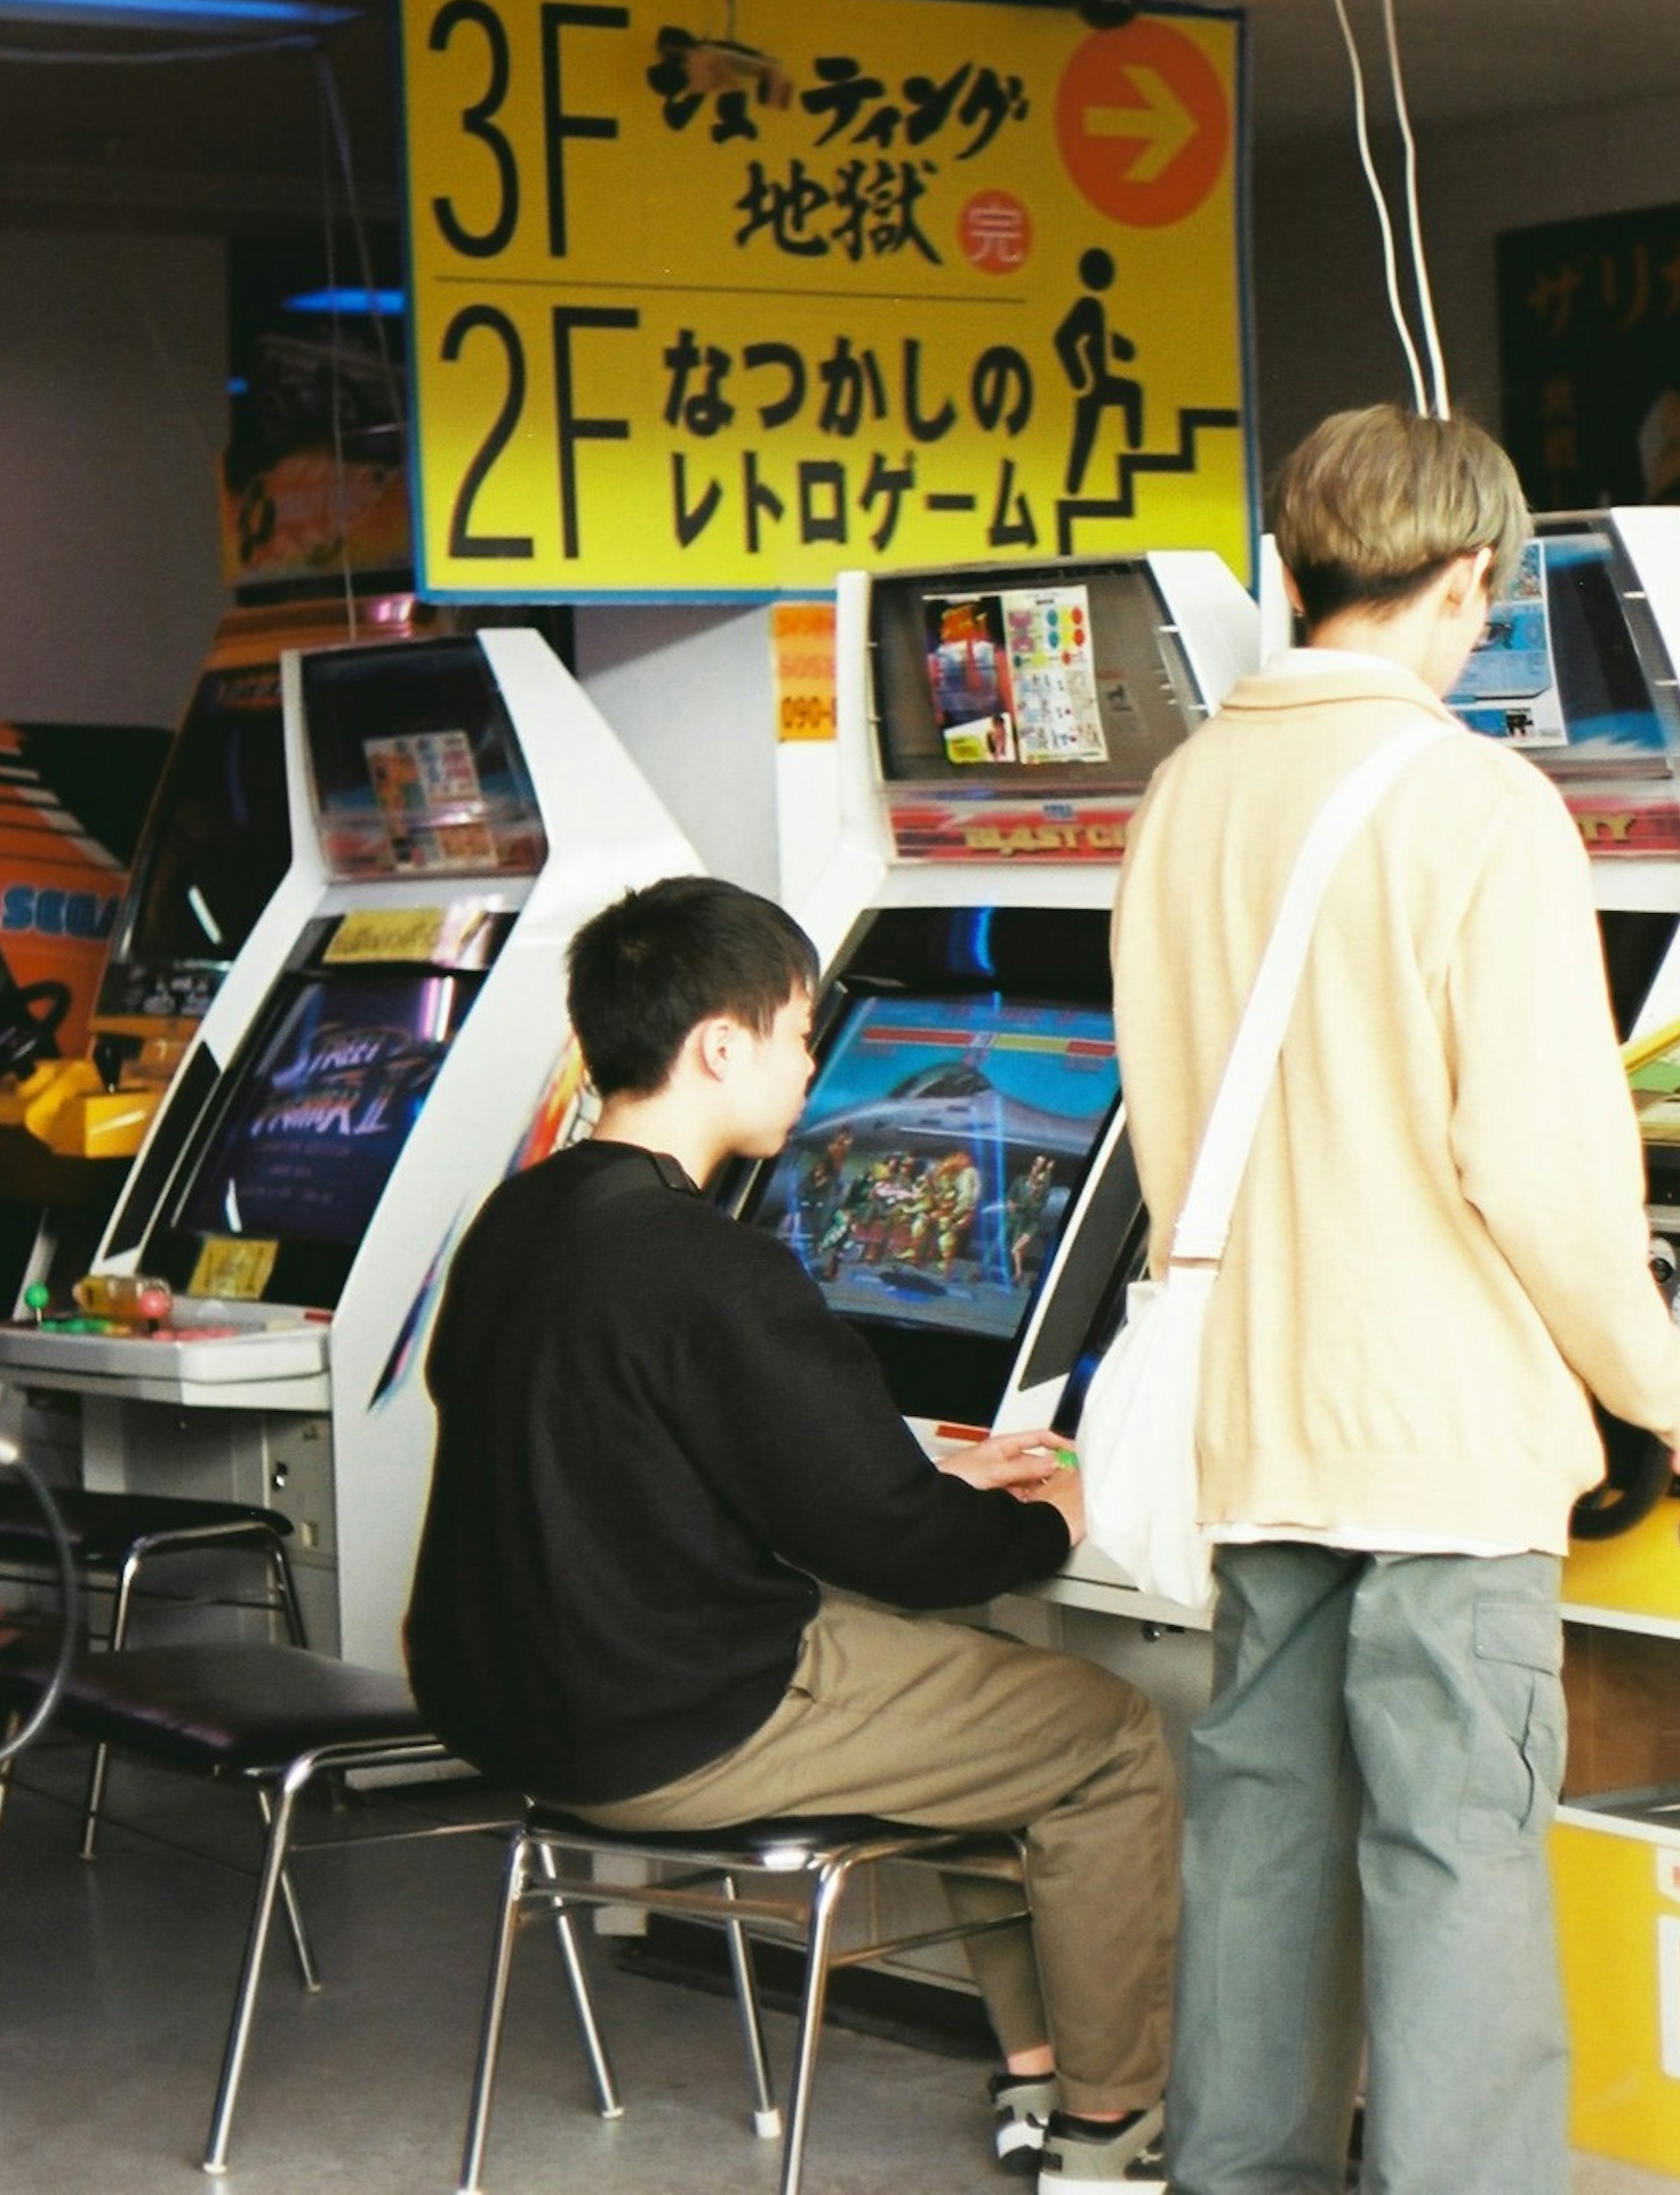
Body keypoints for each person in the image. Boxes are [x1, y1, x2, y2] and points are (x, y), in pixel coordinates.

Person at [1112, 405, 1680, 2195]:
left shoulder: (1182, 791)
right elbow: (1529, 1161)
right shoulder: (1480, 803)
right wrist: (1656, 1369)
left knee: (1264, 1834)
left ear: (1295, 569)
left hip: (1264, 1411)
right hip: (1443, 1428)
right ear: (1469, 580)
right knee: (1454, 1852)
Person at [406, 875, 1178, 2189]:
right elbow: (905, 1550)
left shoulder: (520, 1216)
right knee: (1100, 1740)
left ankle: (1037, 2079)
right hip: (675, 1712)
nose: (816, 1066)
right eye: (800, 1033)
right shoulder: (707, 1261)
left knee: (985, 1719)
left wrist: (897, 1464)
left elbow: (620, 1436)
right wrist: (1060, 1507)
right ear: (720, 1044)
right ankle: (1111, 2133)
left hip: (509, 1697)